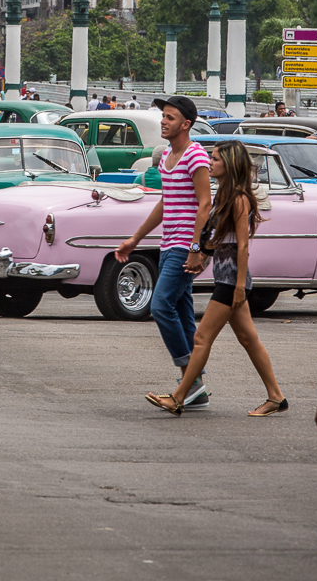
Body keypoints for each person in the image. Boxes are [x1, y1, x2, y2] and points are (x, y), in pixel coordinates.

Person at [145, 141, 287, 418]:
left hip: (231, 281)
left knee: (200, 339)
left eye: (216, 159)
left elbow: (243, 247)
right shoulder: (224, 195)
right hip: (227, 278)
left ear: (230, 165)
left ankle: (178, 397)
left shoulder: (239, 199)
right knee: (249, 340)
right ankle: (276, 397)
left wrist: (237, 288)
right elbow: (217, 241)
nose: (210, 163)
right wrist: (199, 258)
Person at [117, 96, 212, 407]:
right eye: (163, 116)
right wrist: (135, 239)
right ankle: (194, 388)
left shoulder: (195, 156)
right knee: (182, 313)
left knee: (159, 307)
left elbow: (205, 204)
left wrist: (197, 248)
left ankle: (189, 381)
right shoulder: (167, 158)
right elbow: (164, 204)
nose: (163, 122)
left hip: (185, 245)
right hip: (169, 243)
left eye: (170, 117)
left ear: (185, 124)